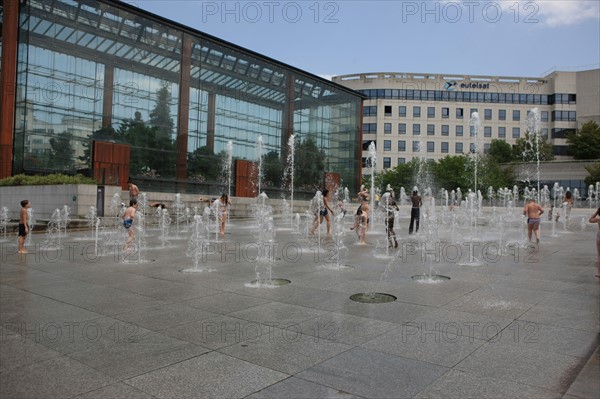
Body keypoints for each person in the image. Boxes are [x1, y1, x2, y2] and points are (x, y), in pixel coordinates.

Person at [589, 207, 600, 278]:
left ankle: (599, 273)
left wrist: (596, 212)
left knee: (599, 255)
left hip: (599, 236)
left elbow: (590, 220)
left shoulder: (599, 219)